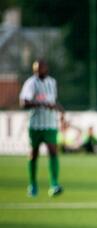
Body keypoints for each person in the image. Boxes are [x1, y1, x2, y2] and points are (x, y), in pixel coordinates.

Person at [19, 59, 64, 197]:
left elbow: (53, 101)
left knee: (53, 151)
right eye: (37, 68)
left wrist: (60, 110)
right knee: (34, 153)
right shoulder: (31, 83)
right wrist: (41, 104)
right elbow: (23, 103)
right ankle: (32, 185)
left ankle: (54, 184)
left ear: (46, 68)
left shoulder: (52, 82)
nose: (39, 70)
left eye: (41, 68)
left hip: (50, 124)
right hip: (36, 124)